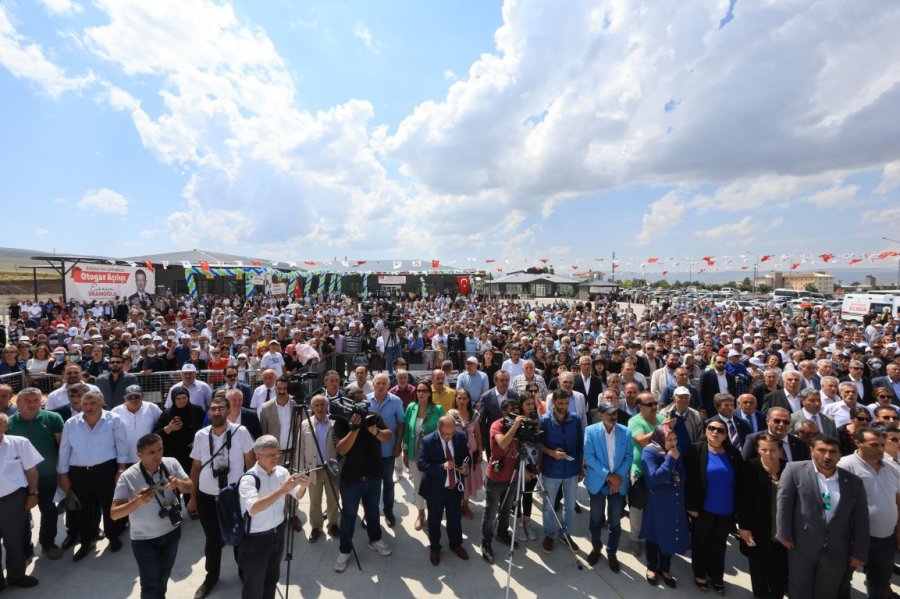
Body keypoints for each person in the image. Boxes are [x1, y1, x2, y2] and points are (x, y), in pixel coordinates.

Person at [776, 436, 869, 599]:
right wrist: (784, 534)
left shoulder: (853, 482)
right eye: (822, 450)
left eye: (833, 452)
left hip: (837, 549)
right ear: (812, 450)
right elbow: (784, 503)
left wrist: (859, 551)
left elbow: (861, 519)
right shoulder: (794, 470)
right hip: (801, 545)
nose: (827, 456)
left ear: (840, 455)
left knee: (828, 591)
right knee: (799, 588)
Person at [187, 396, 255, 599]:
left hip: (233, 495)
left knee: (238, 537)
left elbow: (250, 464)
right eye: (213, 409)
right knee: (212, 539)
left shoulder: (240, 432)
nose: (216, 412)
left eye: (220, 409)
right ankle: (212, 576)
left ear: (228, 411)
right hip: (207, 495)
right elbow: (196, 467)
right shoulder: (200, 435)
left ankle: (244, 573)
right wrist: (193, 497)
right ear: (209, 412)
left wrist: (252, 494)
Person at [111, 433, 193, 599]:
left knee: (163, 576)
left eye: (160, 449)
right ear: (139, 454)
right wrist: (137, 502)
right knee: (150, 583)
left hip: (171, 533)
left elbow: (190, 487)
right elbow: (114, 514)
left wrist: (179, 484)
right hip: (144, 540)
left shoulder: (171, 463)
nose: (158, 455)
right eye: (151, 452)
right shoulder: (128, 476)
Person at [57, 390, 130, 561]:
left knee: (109, 506)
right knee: (84, 510)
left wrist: (121, 469)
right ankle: (86, 542)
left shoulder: (114, 420)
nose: (89, 407)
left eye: (93, 404)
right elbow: (65, 449)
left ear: (101, 403)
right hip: (79, 473)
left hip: (106, 470)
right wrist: (63, 475)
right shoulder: (71, 423)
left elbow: (121, 445)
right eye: (85, 404)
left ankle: (113, 537)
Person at [238, 435, 310, 599]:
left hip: (278, 535)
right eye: (271, 455)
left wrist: (304, 486)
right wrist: (282, 490)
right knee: (253, 589)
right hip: (256, 542)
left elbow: (297, 495)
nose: (276, 458)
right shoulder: (249, 479)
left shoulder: (282, 472)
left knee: (271, 581)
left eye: (277, 454)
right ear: (258, 456)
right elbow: (254, 508)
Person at [836, 427, 899, 599]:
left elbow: (898, 502)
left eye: (881, 445)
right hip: (854, 537)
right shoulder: (845, 465)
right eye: (874, 445)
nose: (880, 449)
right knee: (843, 579)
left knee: (880, 581)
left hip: (886, 537)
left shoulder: (892, 469)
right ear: (858, 443)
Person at [332, 396, 393, 572]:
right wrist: (354, 429)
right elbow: (341, 449)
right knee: (349, 516)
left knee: (373, 511)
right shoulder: (342, 422)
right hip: (350, 480)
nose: (361, 410)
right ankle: (345, 550)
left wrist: (375, 431)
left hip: (373, 477)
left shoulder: (374, 417)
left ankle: (375, 539)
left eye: (364, 406)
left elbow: (388, 436)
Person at [685, 415, 743, 594]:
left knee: (718, 545)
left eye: (720, 430)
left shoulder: (733, 454)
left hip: (726, 510)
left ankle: (717, 577)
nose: (715, 432)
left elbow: (740, 482)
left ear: (726, 435)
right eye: (711, 428)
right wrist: (691, 506)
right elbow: (689, 480)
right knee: (701, 542)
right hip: (703, 510)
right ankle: (700, 574)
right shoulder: (696, 450)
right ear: (706, 431)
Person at [7, 387, 64, 561]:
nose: (32, 404)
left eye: (36, 400)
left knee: (48, 510)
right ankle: (26, 550)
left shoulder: (53, 418)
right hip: (20, 479)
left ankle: (48, 543)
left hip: (47, 476)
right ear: (18, 403)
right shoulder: (8, 423)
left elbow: (61, 447)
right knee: (21, 516)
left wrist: (62, 473)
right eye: (27, 401)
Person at [583, 402, 633, 572]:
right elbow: (589, 457)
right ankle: (596, 547)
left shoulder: (625, 432)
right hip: (598, 481)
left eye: (615, 414)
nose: (613, 417)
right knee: (596, 518)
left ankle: (612, 551)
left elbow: (629, 457)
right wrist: (609, 477)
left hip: (618, 483)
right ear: (600, 415)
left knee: (615, 520)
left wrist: (616, 479)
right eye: (609, 414)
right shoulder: (590, 431)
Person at [736, 433, 788, 599]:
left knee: (780, 570)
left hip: (781, 532)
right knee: (757, 565)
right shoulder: (749, 467)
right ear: (758, 450)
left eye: (772, 450)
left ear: (780, 450)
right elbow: (742, 499)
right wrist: (743, 527)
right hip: (754, 531)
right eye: (763, 449)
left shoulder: (789, 468)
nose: (768, 453)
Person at [416, 415, 471, 565]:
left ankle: (456, 545)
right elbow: (421, 464)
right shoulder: (427, 441)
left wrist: (466, 467)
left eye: (451, 433)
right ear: (438, 429)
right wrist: (442, 467)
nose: (448, 437)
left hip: (454, 487)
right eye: (445, 434)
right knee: (434, 520)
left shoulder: (459, 436)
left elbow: (466, 457)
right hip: (435, 489)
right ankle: (435, 547)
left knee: (455, 519)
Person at [640, 425, 689, 588]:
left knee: (671, 533)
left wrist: (678, 480)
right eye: (669, 440)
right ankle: (652, 567)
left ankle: (665, 568)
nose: (673, 443)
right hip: (658, 500)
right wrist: (669, 459)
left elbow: (681, 471)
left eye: (675, 439)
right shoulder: (649, 452)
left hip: (675, 497)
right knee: (654, 534)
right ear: (660, 438)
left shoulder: (677, 450)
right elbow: (654, 477)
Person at [480, 397, 526, 564]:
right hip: (496, 477)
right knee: (491, 512)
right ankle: (486, 542)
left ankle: (502, 533)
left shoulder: (521, 425)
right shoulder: (496, 425)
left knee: (507, 508)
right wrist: (515, 426)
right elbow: (503, 443)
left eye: (516, 410)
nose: (514, 413)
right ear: (503, 412)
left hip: (513, 476)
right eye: (510, 410)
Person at [539, 388, 584, 555]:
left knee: (570, 506)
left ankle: (566, 534)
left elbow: (580, 445)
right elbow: (538, 444)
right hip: (551, 470)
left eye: (566, 403)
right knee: (548, 507)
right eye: (560, 403)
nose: (563, 406)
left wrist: (580, 468)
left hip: (571, 470)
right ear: (554, 403)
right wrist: (551, 453)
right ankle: (549, 534)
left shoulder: (576, 419)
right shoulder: (544, 421)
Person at [0, 412, 41, 589]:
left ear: (5, 426)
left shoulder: (19, 443)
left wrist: (32, 495)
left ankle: (16, 576)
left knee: (14, 540)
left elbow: (31, 472)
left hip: (13, 500)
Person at [258, 377, 303, 531]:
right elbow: (263, 433)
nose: (282, 391)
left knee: (293, 484)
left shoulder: (297, 405)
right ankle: (278, 516)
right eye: (279, 388)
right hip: (274, 456)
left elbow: (302, 428)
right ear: (275, 389)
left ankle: (293, 514)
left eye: (285, 388)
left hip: (294, 452)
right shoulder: (266, 408)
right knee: (276, 486)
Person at [626, 391, 666, 556]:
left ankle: (652, 536)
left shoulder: (662, 419)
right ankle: (635, 538)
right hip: (640, 471)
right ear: (640, 407)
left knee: (656, 506)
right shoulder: (634, 421)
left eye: (655, 403)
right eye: (650, 404)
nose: (654, 407)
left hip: (659, 470)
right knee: (637, 507)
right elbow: (642, 439)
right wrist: (660, 429)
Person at [297, 394, 339, 542]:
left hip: (331, 469)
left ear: (327, 406)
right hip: (313, 469)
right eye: (316, 405)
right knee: (315, 500)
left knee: (333, 498)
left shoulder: (334, 423)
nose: (320, 408)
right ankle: (316, 527)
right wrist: (302, 471)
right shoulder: (305, 424)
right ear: (312, 407)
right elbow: (300, 448)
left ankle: (333, 524)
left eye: (322, 405)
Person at [403, 382, 444, 530]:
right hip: (415, 452)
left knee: (434, 485)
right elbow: (407, 431)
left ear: (429, 393)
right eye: (418, 390)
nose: (421, 393)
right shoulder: (411, 408)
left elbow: (443, 431)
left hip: (432, 454)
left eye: (424, 391)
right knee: (418, 485)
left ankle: (434, 513)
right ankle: (421, 514)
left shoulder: (437, 409)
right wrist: (405, 451)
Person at [367, 372, 404, 528]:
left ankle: (388, 511)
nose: (381, 386)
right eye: (378, 383)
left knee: (388, 483)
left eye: (384, 383)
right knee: (370, 486)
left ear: (388, 385)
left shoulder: (396, 401)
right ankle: (370, 514)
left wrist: (398, 446)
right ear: (373, 384)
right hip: (369, 452)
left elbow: (401, 423)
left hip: (388, 451)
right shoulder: (366, 400)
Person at [111, 385, 162, 464]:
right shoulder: (115, 411)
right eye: (130, 397)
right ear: (125, 398)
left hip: (149, 459)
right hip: (124, 461)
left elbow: (160, 429)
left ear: (142, 396)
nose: (133, 400)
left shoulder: (152, 408)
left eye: (137, 397)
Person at [742, 407, 811, 462]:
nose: (781, 425)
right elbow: (745, 464)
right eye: (777, 421)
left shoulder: (801, 444)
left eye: (786, 422)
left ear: (790, 424)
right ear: (767, 421)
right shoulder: (754, 440)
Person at [479, 370, 519, 458]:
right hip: (494, 437)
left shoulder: (514, 395)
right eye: (502, 380)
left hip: (511, 436)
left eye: (507, 380)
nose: (505, 383)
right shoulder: (486, 397)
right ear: (495, 381)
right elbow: (482, 420)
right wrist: (483, 441)